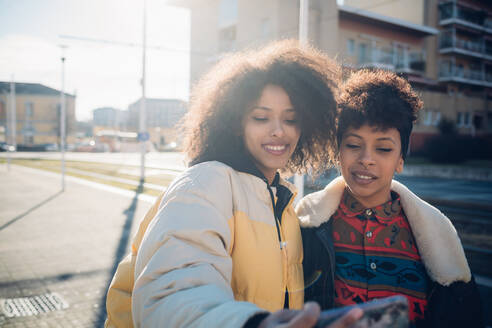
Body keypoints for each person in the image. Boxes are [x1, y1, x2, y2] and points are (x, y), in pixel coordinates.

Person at [105, 40, 362, 328]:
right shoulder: (204, 184)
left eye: (291, 119)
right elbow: (174, 288)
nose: (278, 131)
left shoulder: (283, 201)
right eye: (261, 117)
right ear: (234, 122)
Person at [297, 69, 484, 328]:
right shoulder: (305, 224)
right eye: (353, 145)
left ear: (400, 161)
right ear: (337, 152)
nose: (366, 159)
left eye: (383, 148)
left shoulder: (436, 232)